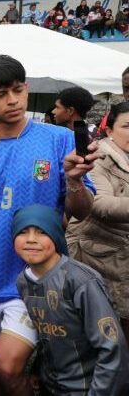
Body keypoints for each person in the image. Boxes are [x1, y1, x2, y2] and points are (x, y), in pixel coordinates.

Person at [0, 55, 97, 396]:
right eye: (2, 94)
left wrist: (75, 182)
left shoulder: (58, 140)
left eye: (18, 90)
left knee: (6, 365)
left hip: (33, 281)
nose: (13, 100)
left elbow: (82, 210)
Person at [14, 204, 129, 395]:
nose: (31, 240)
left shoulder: (81, 282)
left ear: (56, 236)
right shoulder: (23, 281)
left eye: (42, 232)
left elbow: (112, 348)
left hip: (88, 388)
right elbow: (46, 335)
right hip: (52, 386)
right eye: (23, 232)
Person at [67, 102, 129, 342]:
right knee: (101, 332)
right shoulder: (98, 155)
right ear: (110, 130)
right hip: (97, 257)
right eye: (127, 126)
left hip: (121, 262)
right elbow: (99, 203)